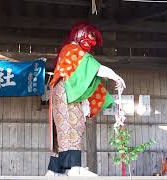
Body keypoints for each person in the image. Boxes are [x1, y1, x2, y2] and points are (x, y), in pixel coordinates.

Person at [46, 22, 126, 176]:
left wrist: (115, 104)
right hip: (66, 93)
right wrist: (115, 76)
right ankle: (73, 168)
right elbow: (95, 68)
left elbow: (89, 79)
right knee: (73, 126)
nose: (91, 43)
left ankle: (55, 169)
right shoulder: (72, 50)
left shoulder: (70, 54)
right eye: (90, 37)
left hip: (64, 93)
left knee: (64, 130)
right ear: (79, 35)